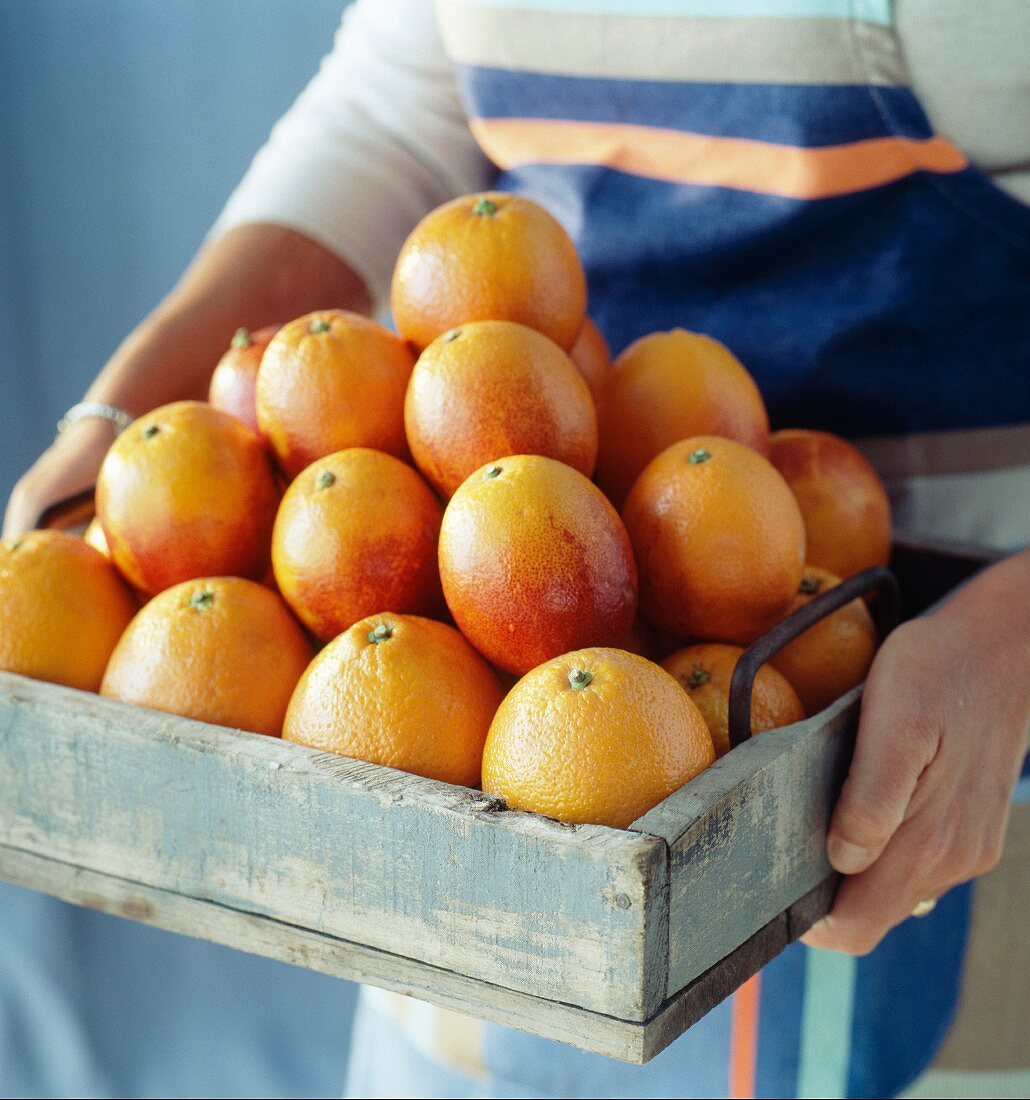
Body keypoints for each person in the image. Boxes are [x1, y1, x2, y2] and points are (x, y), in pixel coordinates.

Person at [5, 1, 1028, 1096]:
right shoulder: (429, 639)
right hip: (498, 674)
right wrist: (120, 420)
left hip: (950, 752)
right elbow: (397, 105)